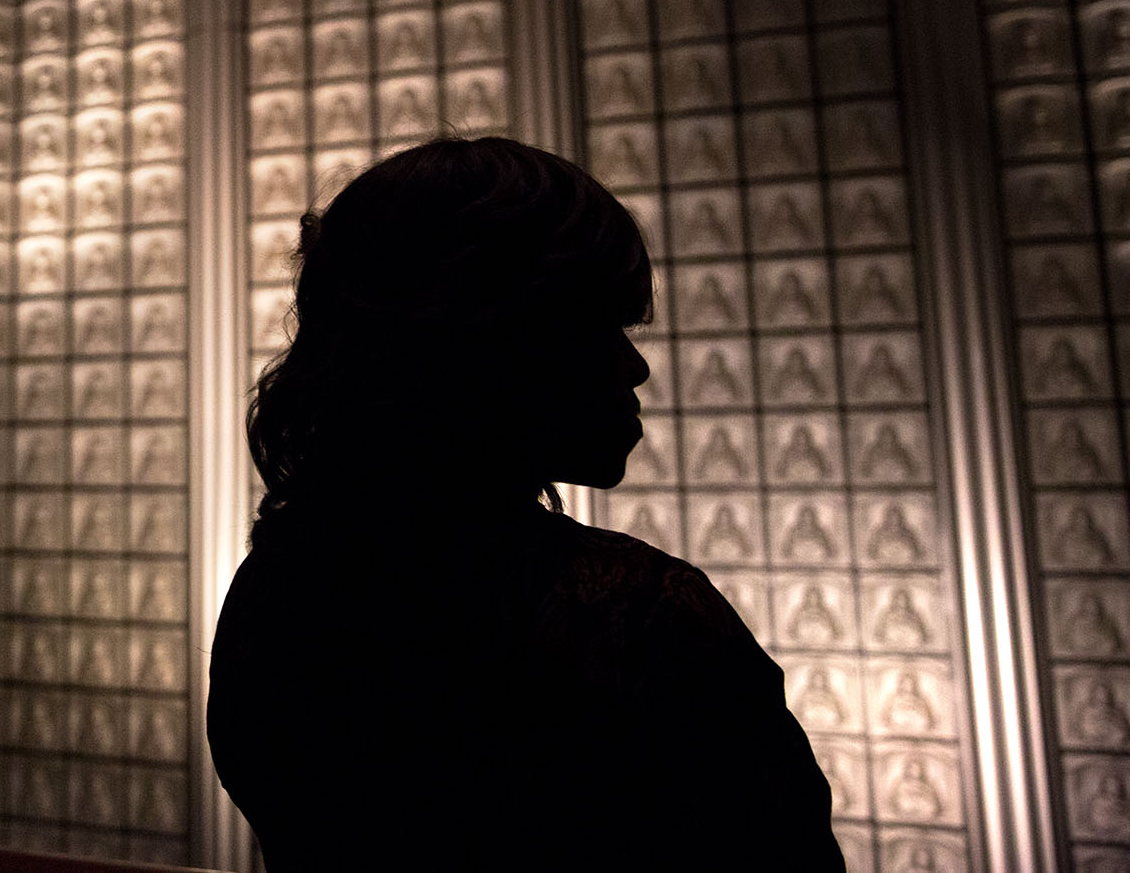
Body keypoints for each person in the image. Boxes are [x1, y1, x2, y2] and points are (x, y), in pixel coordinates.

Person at [207, 137, 842, 870]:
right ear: (482, 337)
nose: (633, 365)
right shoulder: (644, 622)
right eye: (592, 324)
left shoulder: (273, 595)